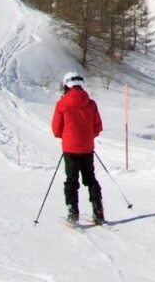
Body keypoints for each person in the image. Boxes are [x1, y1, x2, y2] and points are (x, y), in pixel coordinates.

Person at [52, 71, 104, 224]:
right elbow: (98, 127)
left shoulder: (62, 104)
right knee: (90, 179)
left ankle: (72, 212)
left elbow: (56, 129)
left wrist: (68, 137)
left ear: (66, 84)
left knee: (71, 181)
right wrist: (87, 137)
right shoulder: (91, 103)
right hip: (87, 148)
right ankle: (98, 210)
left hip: (70, 148)